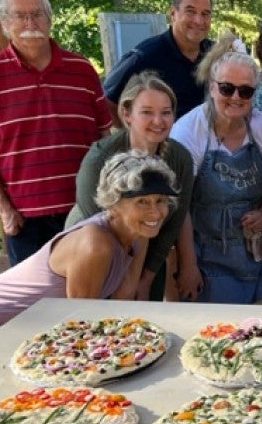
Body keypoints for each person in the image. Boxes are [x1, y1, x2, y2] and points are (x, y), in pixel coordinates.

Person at [0, 0, 112, 266]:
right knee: (35, 293)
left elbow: (105, 138)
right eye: (20, 15)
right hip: (25, 218)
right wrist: (3, 208)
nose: (30, 22)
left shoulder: (82, 70)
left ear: (49, 18)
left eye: (37, 14)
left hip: (83, 210)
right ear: (4, 22)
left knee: (87, 289)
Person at [0, 152, 178, 348]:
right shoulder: (95, 245)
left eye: (160, 200)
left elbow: (123, 299)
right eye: (142, 202)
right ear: (113, 204)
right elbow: (81, 325)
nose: (156, 213)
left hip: (42, 323)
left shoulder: (139, 232)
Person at [66, 72, 202, 302]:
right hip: (94, 253)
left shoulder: (179, 158)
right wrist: (125, 283)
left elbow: (175, 220)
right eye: (147, 112)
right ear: (126, 114)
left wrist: (145, 279)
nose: (158, 121)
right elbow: (94, 224)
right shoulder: (100, 158)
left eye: (166, 112)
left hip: (149, 254)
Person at [170, 37, 262, 305]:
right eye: (226, 89)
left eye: (245, 91)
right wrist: (188, 265)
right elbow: (180, 206)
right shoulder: (189, 131)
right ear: (212, 87)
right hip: (208, 257)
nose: (235, 97)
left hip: (260, 253)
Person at [103, 0, 214, 124]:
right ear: (173, 13)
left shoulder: (216, 55)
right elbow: (106, 104)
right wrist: (138, 130)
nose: (198, 20)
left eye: (205, 14)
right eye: (190, 11)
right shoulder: (145, 56)